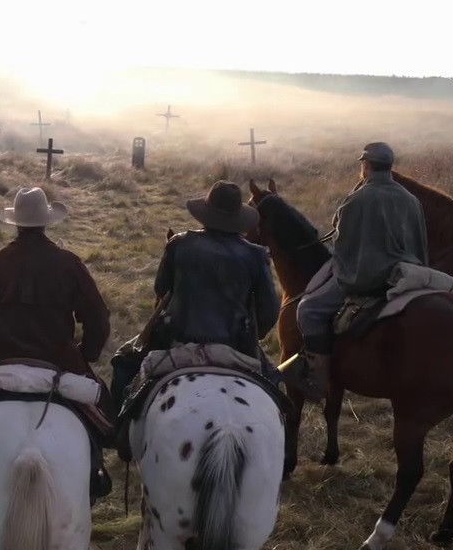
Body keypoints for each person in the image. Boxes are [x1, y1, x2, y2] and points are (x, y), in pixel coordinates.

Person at [0, 186, 112, 494]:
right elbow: (97, 317)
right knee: (106, 411)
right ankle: (98, 469)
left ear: (15, 223)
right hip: (59, 358)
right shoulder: (69, 263)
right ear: (46, 222)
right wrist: (88, 354)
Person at [109, 181, 281, 410]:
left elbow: (161, 291)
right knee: (276, 388)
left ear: (206, 213)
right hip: (236, 346)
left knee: (124, 362)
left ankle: (117, 432)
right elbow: (268, 312)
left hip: (178, 339)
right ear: (238, 217)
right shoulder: (256, 255)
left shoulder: (178, 244)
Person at [294, 143, 427, 400]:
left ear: (365, 166)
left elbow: (342, 244)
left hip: (368, 278)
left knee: (308, 310)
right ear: (390, 167)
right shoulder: (412, 200)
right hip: (406, 274)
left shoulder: (358, 199)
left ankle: (319, 379)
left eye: (362, 165)